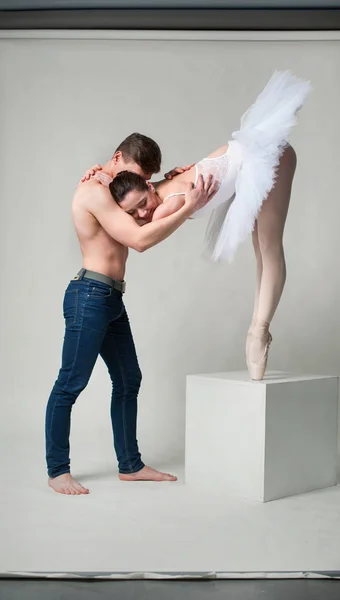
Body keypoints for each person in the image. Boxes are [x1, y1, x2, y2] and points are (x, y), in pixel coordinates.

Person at [84, 70, 311, 382]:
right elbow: (134, 204)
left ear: (149, 187)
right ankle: (258, 332)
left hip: (267, 156)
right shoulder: (163, 186)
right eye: (133, 212)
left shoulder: (169, 202)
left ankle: (258, 333)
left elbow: (143, 239)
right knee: (263, 248)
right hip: (244, 154)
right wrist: (99, 174)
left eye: (142, 202)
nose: (140, 214)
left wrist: (182, 204)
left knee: (268, 247)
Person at [45, 132, 217, 495]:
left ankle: (130, 465)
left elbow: (148, 199)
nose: (144, 185)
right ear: (117, 157)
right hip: (88, 296)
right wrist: (188, 205)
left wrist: (173, 179)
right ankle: (58, 470)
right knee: (69, 384)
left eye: (146, 180)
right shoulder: (94, 191)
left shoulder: (120, 187)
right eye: (139, 175)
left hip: (110, 298)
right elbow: (138, 240)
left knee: (128, 380)